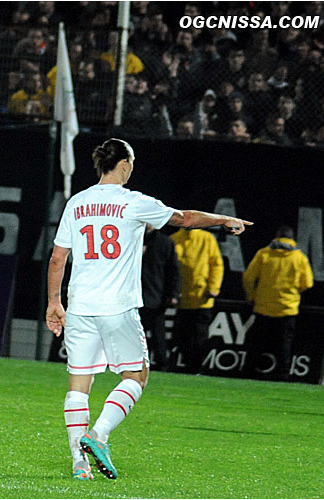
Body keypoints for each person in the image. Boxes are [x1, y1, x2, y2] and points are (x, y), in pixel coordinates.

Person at [45, 138, 250, 481]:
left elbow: (57, 258)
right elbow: (184, 219)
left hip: (80, 306)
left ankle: (79, 465)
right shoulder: (133, 202)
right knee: (137, 376)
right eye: (132, 163)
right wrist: (223, 219)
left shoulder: (76, 203)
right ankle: (97, 435)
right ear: (124, 164)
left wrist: (54, 302)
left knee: (78, 385)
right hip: (117, 306)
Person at [242, 226, 313, 381]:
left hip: (263, 307)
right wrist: (293, 293)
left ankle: (248, 372)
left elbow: (248, 277)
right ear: (292, 239)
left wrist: (252, 296)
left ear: (276, 237)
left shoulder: (264, 254)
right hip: (287, 309)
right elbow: (307, 283)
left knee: (256, 343)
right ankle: (283, 375)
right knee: (284, 345)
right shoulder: (299, 258)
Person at [170, 225, 224, 374]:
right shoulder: (174, 239)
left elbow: (217, 264)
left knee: (199, 337)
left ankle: (196, 367)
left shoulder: (206, 239)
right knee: (183, 337)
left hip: (202, 298)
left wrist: (213, 288)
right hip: (183, 299)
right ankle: (189, 366)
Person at [139, 224, 180, 372]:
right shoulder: (131, 237)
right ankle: (132, 363)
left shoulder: (165, 242)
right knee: (132, 334)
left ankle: (163, 364)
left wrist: (174, 294)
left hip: (155, 296)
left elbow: (173, 270)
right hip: (132, 296)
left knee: (158, 335)